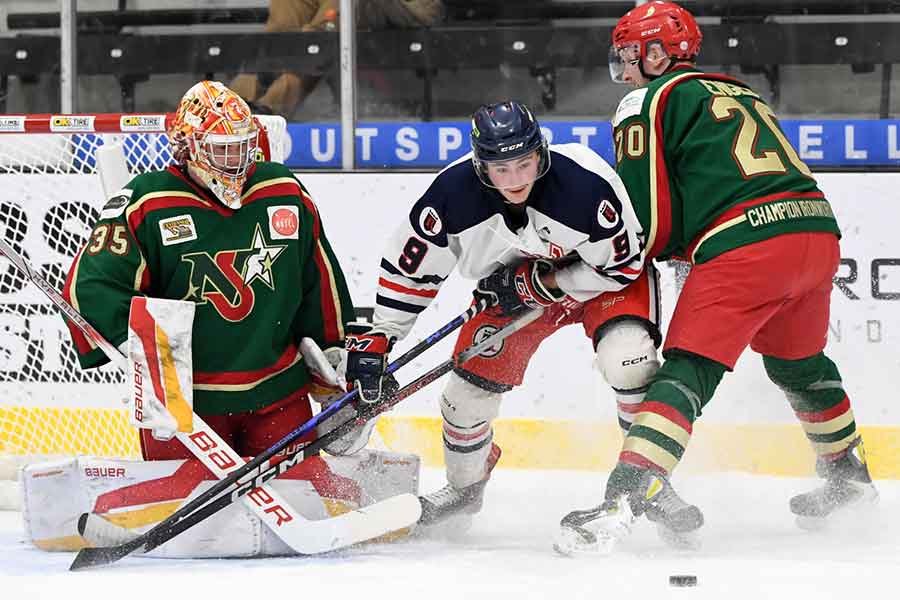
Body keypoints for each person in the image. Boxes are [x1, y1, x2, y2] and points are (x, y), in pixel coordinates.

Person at [555, 1, 878, 555]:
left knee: (686, 371)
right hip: (816, 230)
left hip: (746, 244)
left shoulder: (646, 99)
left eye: (629, 57)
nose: (624, 72)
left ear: (657, 54)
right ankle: (848, 478)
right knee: (799, 363)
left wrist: (591, 258)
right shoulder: (741, 91)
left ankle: (624, 499)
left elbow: (647, 219)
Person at [340, 100, 663, 527]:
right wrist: (381, 337)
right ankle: (464, 490)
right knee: (464, 399)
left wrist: (547, 283)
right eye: (501, 168)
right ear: (481, 166)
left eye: (525, 164)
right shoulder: (450, 196)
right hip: (516, 296)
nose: (515, 179)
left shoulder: (586, 186)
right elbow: (411, 273)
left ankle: (651, 479)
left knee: (629, 363)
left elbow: (622, 268)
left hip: (603, 284)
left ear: (541, 155)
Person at [62, 80, 355, 462]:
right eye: (223, 151)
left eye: (243, 148)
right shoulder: (147, 201)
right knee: (188, 511)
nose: (236, 162)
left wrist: (337, 350)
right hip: (185, 403)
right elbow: (90, 285)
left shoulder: (281, 190)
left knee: (299, 500)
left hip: (279, 393)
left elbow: (319, 277)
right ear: (187, 146)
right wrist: (137, 353)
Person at [230, 0, 445, 117]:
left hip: (410, 5)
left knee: (328, 25)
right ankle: (236, 103)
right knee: (287, 9)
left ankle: (270, 108)